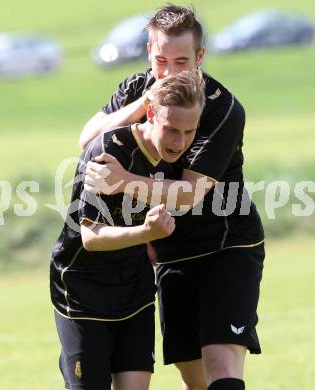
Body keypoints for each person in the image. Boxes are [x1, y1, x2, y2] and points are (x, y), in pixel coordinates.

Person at [82, 4, 265, 390]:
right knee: (192, 374)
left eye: (181, 61)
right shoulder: (138, 88)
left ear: (200, 58)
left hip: (227, 245)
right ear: (150, 52)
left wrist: (123, 181)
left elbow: (186, 196)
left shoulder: (223, 110)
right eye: (161, 60)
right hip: (170, 251)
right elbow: (87, 140)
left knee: (221, 364)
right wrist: (142, 106)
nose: (168, 72)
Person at [50, 70, 205, 390]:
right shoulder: (109, 152)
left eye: (189, 131)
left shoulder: (181, 157)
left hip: (134, 289)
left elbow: (193, 195)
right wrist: (146, 233)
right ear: (150, 113)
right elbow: (90, 238)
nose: (180, 141)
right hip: (82, 290)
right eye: (171, 129)